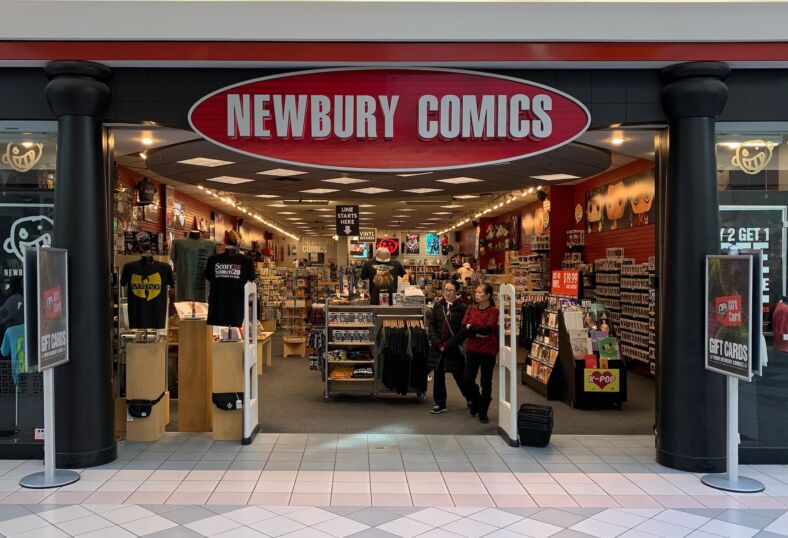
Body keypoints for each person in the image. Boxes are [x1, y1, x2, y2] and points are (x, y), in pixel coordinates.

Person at [427, 280, 471, 414]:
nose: (448, 293)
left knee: (459, 374)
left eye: (451, 290)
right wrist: (436, 342)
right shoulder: (438, 305)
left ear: (456, 292)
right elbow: (431, 325)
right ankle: (440, 403)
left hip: (453, 347)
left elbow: (463, 332)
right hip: (438, 347)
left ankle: (470, 397)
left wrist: (448, 343)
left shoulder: (463, 308)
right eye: (446, 289)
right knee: (439, 374)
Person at [461, 283, 499, 424]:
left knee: (486, 382)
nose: (476, 294)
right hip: (472, 349)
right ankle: (477, 402)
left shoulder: (493, 311)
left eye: (479, 292)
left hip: (488, 351)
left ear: (488, 295)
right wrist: (477, 331)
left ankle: (483, 411)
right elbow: (465, 327)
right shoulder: (471, 308)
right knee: (467, 380)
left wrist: (473, 329)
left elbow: (487, 330)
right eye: (476, 292)